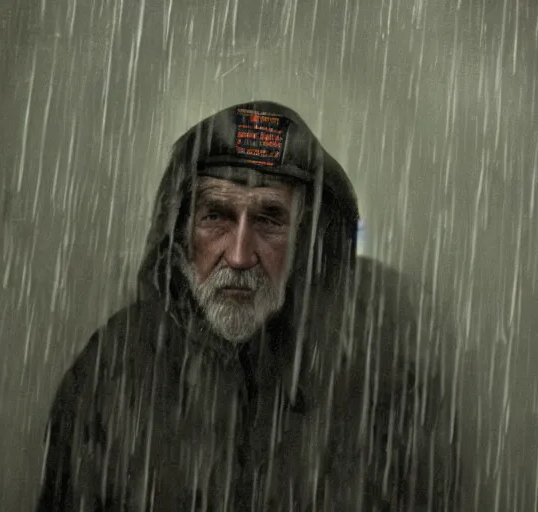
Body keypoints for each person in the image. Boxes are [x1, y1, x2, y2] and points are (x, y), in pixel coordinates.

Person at [37, 101, 459, 511]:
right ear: (181, 230)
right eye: (216, 216)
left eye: (269, 220)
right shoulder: (112, 370)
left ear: (305, 239)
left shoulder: (377, 379)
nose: (239, 256)